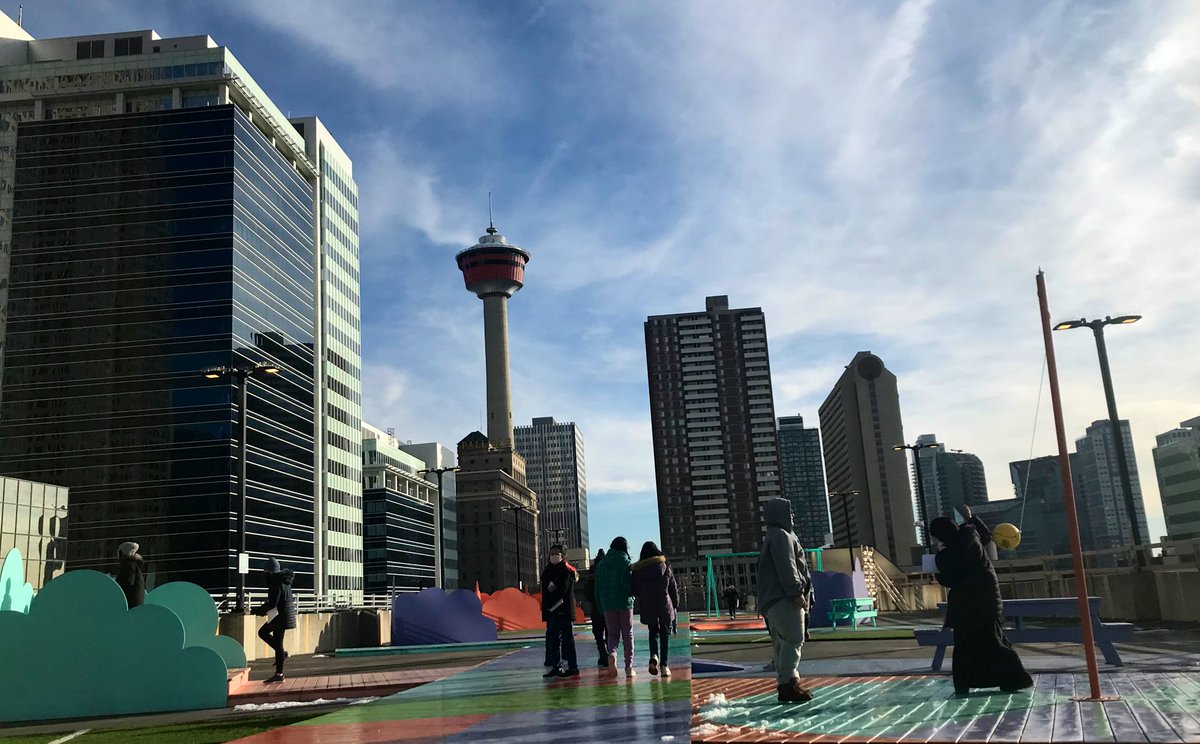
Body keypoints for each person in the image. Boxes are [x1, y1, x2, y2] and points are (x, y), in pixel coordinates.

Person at [931, 505, 1033, 696]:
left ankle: (967, 682)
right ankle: (1010, 679)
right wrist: (970, 519)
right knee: (994, 640)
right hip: (988, 600)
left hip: (965, 606)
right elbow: (987, 536)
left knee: (966, 647)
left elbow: (949, 579)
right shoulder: (971, 536)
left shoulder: (946, 556)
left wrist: (937, 573)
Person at [756, 498, 814, 704]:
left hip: (773, 599)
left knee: (782, 642)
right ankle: (789, 683)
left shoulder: (774, 536)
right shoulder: (782, 536)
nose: (792, 516)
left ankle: (785, 683)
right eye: (789, 512)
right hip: (784, 598)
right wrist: (796, 592)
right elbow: (787, 566)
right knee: (793, 639)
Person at [631, 541, 678, 677]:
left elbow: (633, 589)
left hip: (648, 605)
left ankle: (654, 655)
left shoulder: (639, 570)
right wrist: (675, 603)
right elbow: (672, 587)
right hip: (664, 604)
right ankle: (664, 666)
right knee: (665, 635)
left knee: (653, 632)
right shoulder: (665, 565)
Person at [595, 536, 635, 678]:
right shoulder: (626, 563)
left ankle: (612, 654)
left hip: (607, 603)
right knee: (627, 634)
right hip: (624, 603)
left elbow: (597, 587)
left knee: (612, 634)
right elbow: (628, 585)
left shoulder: (602, 564)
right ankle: (629, 667)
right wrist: (632, 596)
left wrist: (600, 605)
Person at [539, 544, 580, 679]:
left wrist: (552, 590)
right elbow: (546, 590)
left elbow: (562, 590)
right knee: (553, 640)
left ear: (562, 555)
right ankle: (556, 666)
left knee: (568, 639)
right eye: (552, 553)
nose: (554, 556)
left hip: (564, 609)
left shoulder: (566, 570)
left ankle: (573, 667)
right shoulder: (547, 570)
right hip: (552, 610)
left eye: (557, 553)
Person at [254, 557, 296, 683]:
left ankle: (279, 673)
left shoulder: (275, 581)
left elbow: (273, 603)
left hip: (280, 616)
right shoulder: (284, 580)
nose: (264, 573)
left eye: (265, 571)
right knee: (274, 640)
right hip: (284, 615)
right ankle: (280, 667)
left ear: (269, 571)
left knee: (267, 636)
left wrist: (259, 611)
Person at [586, 548, 608, 667]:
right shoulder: (607, 568)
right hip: (607, 605)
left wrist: (592, 600)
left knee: (598, 632)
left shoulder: (592, 570)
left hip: (595, 607)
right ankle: (609, 652)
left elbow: (587, 591)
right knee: (609, 631)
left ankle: (602, 652)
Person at [114, 542, 145, 609]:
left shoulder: (128, 565)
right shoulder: (133, 565)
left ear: (122, 553)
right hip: (136, 603)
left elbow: (126, 583)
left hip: (130, 604)